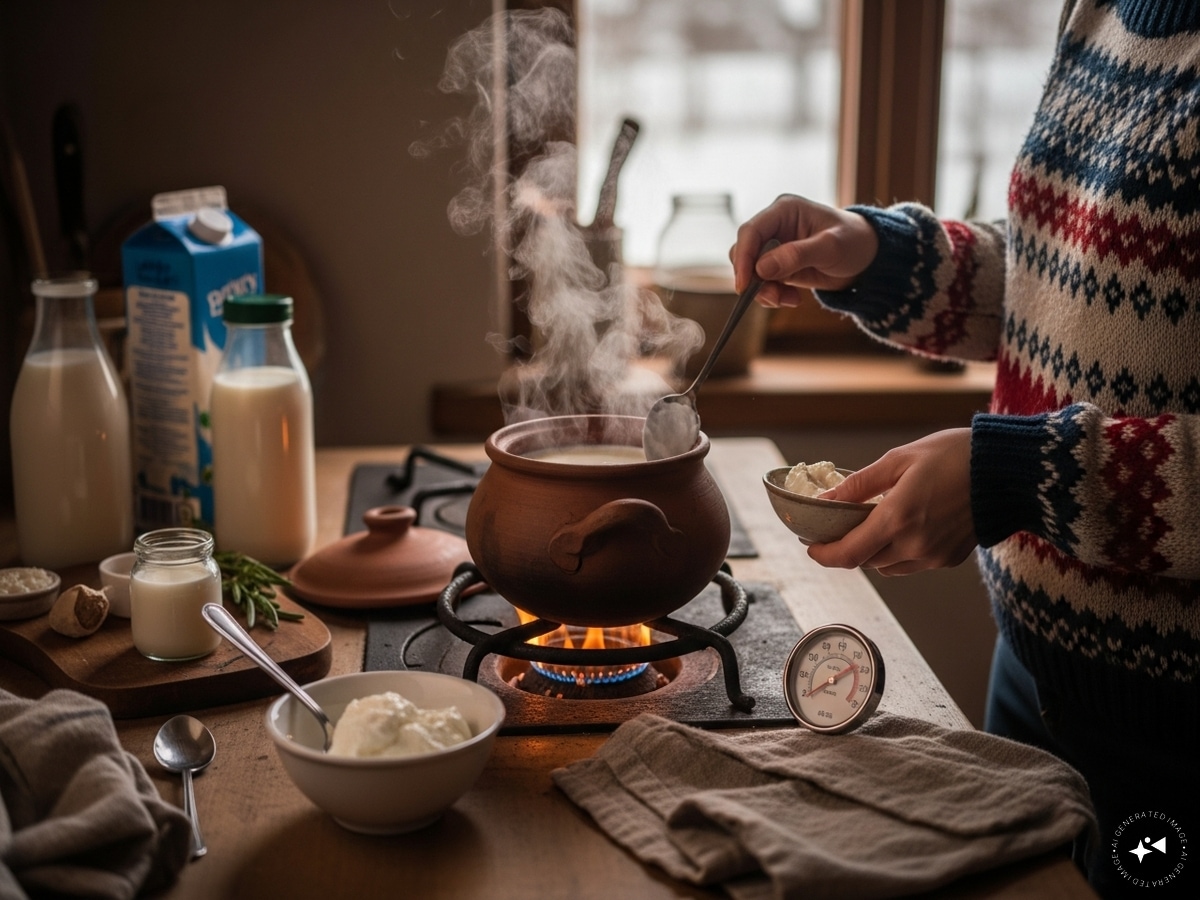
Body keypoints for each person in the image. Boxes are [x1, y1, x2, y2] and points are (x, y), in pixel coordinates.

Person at [730, 1, 1199, 897]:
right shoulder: (1101, 10)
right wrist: (878, 256)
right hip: (1034, 673)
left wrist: (1028, 478)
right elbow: (1084, 272)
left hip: (1176, 733)